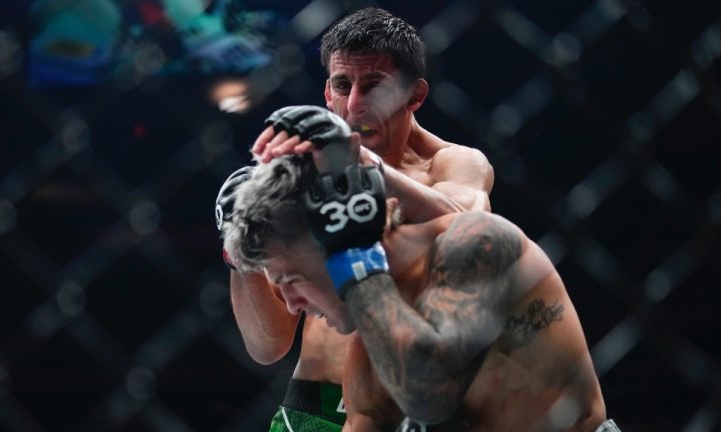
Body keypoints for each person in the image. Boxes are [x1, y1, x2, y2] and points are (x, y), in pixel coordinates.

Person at [216, 7, 494, 431]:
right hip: (312, 412)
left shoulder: (452, 163)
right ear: (327, 92)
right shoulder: (304, 176)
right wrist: (240, 251)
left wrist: (363, 163)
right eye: (343, 86)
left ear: (414, 95)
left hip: (408, 406)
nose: (355, 104)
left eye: (375, 87)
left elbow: (470, 227)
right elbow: (267, 347)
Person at [221, 144, 618, 431]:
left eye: (291, 281)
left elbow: (431, 388)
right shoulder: (367, 353)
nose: (290, 305)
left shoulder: (476, 245)